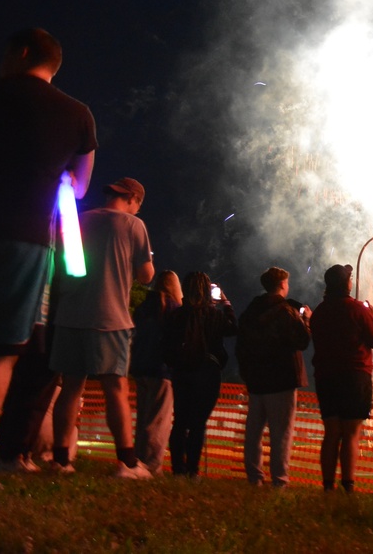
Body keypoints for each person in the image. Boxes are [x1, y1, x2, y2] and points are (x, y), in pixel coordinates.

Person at [0, 28, 96, 485]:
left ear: (22, 52)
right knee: (1, 353)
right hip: (29, 241)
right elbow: (81, 186)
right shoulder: (78, 115)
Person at [49, 177, 154, 479]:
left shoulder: (79, 219)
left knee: (70, 388)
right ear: (133, 198)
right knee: (116, 390)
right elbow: (146, 276)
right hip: (110, 319)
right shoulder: (134, 226)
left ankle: (61, 460)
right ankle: (128, 463)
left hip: (70, 316)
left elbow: (64, 264)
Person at [310, 264, 373, 493]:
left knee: (331, 432)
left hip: (326, 377)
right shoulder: (358, 310)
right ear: (347, 284)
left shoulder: (320, 312)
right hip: (354, 376)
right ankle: (348, 484)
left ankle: (328, 485)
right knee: (351, 433)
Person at [236, 266, 311, 487]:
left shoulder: (251, 311)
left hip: (257, 380)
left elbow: (241, 345)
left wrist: (247, 373)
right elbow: (302, 341)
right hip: (282, 380)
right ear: (281, 285)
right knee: (281, 434)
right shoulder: (285, 311)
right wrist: (307, 320)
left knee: (254, 432)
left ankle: (254, 477)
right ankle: (279, 479)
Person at [163, 272, 237, 477]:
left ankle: (178, 467)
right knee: (198, 423)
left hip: (182, 371)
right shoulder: (214, 315)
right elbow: (233, 329)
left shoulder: (177, 315)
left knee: (180, 421)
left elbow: (167, 343)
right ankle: (192, 471)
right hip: (208, 371)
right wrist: (226, 303)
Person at [129, 270, 183, 474]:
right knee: (159, 420)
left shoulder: (144, 307)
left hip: (140, 367)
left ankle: (139, 460)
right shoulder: (174, 310)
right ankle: (152, 465)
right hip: (162, 370)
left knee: (143, 418)